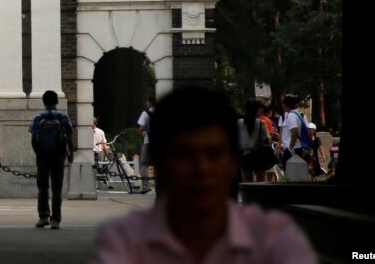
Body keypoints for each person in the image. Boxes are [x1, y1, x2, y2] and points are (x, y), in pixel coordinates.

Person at [91, 86, 317, 264]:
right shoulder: (124, 240)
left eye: (214, 153)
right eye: (183, 154)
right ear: (159, 161)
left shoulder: (276, 239)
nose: (201, 168)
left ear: (231, 159)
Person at [29, 90, 74, 229]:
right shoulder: (62, 117)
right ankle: (55, 219)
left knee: (42, 187)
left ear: (44, 102)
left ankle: (43, 216)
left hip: (42, 156)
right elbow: (69, 136)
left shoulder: (38, 117)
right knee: (57, 189)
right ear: (56, 101)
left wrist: (38, 153)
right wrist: (70, 153)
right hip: (58, 156)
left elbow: (33, 139)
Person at [237, 100, 272, 183]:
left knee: (247, 182)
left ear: (245, 110)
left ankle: (248, 196)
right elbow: (267, 141)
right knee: (261, 181)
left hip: (244, 156)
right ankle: (260, 196)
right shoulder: (261, 123)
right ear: (257, 110)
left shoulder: (239, 123)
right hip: (259, 156)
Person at [136, 96, 155, 191]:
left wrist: (142, 133)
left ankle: (146, 186)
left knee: (143, 164)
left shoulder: (146, 113)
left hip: (149, 142)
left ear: (149, 102)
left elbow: (141, 128)